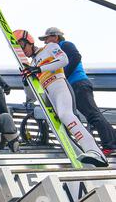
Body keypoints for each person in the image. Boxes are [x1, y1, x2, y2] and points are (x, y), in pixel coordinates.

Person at [13, 29, 108, 167]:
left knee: (66, 115)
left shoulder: (50, 47)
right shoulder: (32, 64)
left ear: (30, 41)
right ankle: (86, 154)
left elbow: (64, 60)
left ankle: (95, 152)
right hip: (50, 96)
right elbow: (31, 96)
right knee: (62, 125)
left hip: (60, 85)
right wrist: (26, 81)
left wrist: (38, 69)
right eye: (19, 50)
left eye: (22, 45)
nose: (23, 51)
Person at [39, 27, 116, 156]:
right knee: (93, 114)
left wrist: (64, 75)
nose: (45, 42)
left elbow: (75, 57)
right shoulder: (54, 51)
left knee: (93, 115)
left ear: (56, 37)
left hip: (78, 83)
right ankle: (113, 140)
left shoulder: (65, 45)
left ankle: (109, 145)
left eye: (47, 38)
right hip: (74, 85)